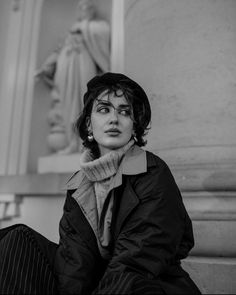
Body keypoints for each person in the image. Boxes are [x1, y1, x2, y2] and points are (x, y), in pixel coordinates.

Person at [0, 72, 201, 294]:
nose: (114, 119)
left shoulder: (153, 173)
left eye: (124, 112)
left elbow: (137, 260)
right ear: (89, 124)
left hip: (146, 284)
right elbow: (75, 265)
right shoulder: (79, 185)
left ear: (134, 126)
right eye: (103, 109)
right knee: (16, 241)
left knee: (126, 283)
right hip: (103, 283)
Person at [36, 0, 110, 154]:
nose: (85, 9)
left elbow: (103, 37)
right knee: (68, 106)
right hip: (65, 69)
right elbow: (57, 51)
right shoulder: (70, 31)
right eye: (82, 7)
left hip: (83, 65)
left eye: (88, 7)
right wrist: (46, 68)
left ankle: (85, 143)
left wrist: (85, 28)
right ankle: (72, 142)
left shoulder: (97, 26)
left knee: (84, 101)